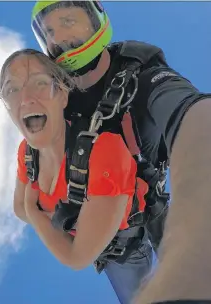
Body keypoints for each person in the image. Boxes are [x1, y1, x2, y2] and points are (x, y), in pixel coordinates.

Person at [29, 1, 211, 303]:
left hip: (154, 206)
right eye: (48, 31)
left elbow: (186, 108)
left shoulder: (142, 77)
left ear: (95, 20)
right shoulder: (54, 106)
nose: (58, 37)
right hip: (114, 240)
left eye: (68, 22)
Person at [0, 48, 155, 304]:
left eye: (39, 83)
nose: (25, 99)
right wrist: (67, 225)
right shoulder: (27, 153)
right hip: (99, 247)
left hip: (125, 254)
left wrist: (36, 211)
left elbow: (76, 257)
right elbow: (17, 210)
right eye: (11, 90)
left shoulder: (105, 151)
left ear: (62, 94)